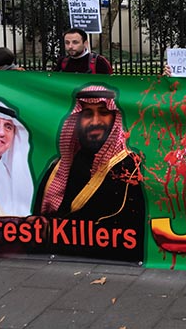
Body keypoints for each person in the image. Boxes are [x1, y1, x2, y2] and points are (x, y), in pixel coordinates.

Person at [34, 85, 144, 261]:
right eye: (87, 114)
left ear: (114, 117)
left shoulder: (129, 168)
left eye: (103, 112)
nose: (95, 121)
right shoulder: (59, 166)